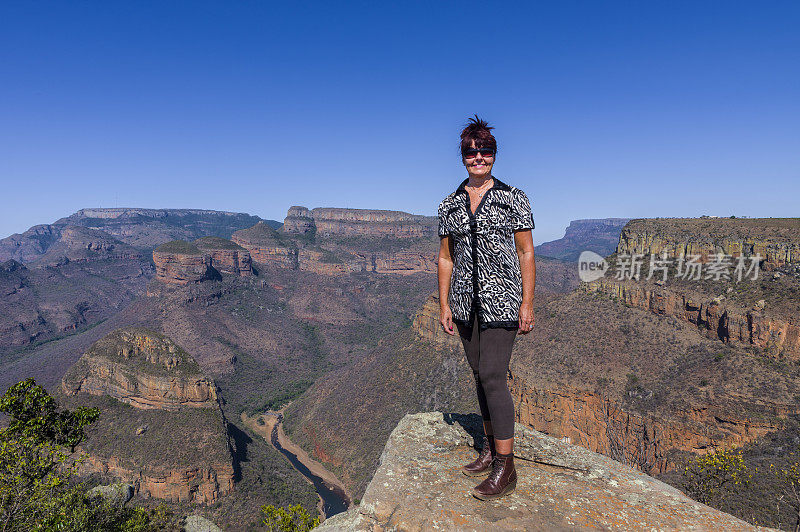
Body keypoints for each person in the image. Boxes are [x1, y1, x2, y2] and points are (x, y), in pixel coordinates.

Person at [437, 115, 535, 500]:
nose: (478, 157)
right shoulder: (449, 204)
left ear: (494, 155)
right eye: (471, 152)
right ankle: (489, 447)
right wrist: (443, 302)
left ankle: (505, 467)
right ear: (462, 156)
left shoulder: (514, 197)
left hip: (502, 300)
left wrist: (528, 302)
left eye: (485, 151)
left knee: (494, 374)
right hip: (464, 301)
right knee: (479, 374)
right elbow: (445, 257)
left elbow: (526, 251)